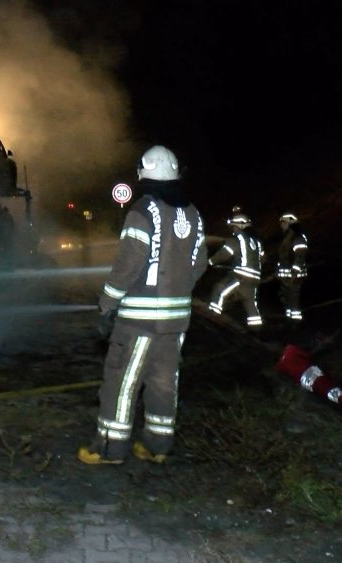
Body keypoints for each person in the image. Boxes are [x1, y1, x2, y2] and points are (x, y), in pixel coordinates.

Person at [78, 145, 208, 465]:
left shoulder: (142, 211)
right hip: (177, 320)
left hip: (139, 321)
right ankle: (156, 446)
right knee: (164, 382)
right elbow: (200, 262)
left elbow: (127, 265)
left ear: (143, 173)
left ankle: (109, 448)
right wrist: (178, 292)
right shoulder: (193, 213)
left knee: (121, 382)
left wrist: (106, 303)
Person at [207, 211, 264, 329]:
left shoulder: (235, 240)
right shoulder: (257, 243)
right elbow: (262, 258)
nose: (232, 229)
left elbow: (224, 254)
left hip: (241, 276)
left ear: (239, 226)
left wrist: (210, 262)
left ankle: (212, 319)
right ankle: (257, 330)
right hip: (254, 279)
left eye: (233, 226)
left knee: (219, 290)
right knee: (250, 303)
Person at [276, 212, 308, 324]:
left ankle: (295, 323)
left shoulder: (297, 237)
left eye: (283, 222)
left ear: (290, 223)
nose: (281, 225)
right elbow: (284, 256)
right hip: (287, 276)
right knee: (286, 298)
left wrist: (295, 272)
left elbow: (300, 256)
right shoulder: (287, 236)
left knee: (293, 300)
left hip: (294, 276)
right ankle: (289, 320)